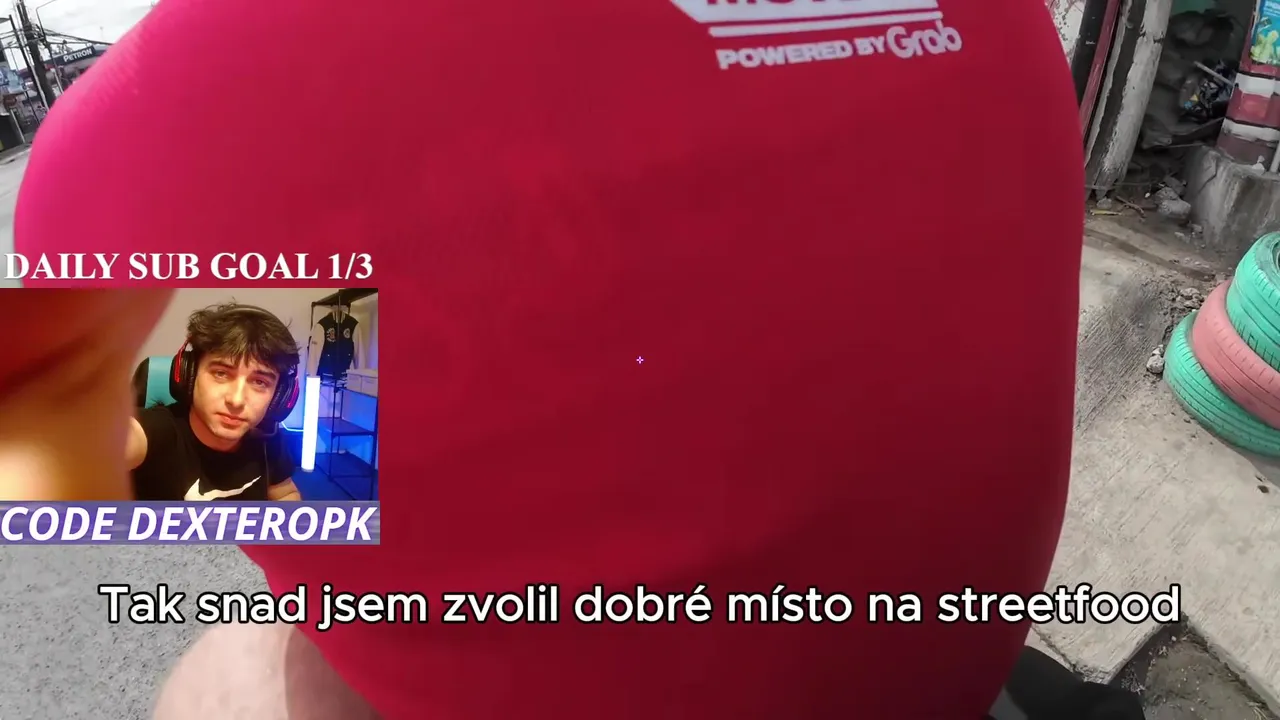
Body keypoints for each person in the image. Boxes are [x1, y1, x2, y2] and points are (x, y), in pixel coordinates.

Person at [6, 0, 1089, 719]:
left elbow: (146, 469)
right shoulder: (999, 17)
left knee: (232, 671)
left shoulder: (121, 168)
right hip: (937, 673)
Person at [129, 302, 303, 502]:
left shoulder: (268, 441)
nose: (236, 400)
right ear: (190, 375)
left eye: (259, 382)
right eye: (221, 373)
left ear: (279, 396)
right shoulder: (157, 431)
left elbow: (286, 494)